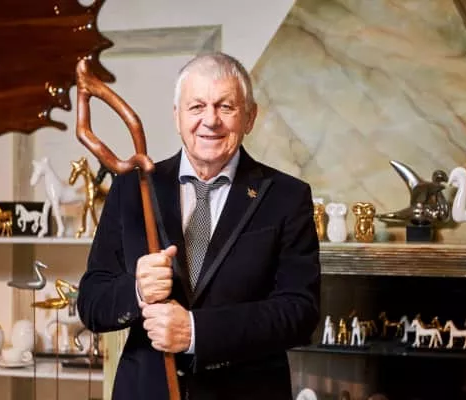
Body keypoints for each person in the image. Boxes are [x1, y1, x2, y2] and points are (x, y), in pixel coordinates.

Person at [77, 52, 321, 400]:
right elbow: (91, 303)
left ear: (250, 117)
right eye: (196, 107)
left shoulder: (286, 197)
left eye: (226, 107)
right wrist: (138, 290)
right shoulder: (133, 189)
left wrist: (196, 332)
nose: (210, 120)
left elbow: (300, 312)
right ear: (177, 117)